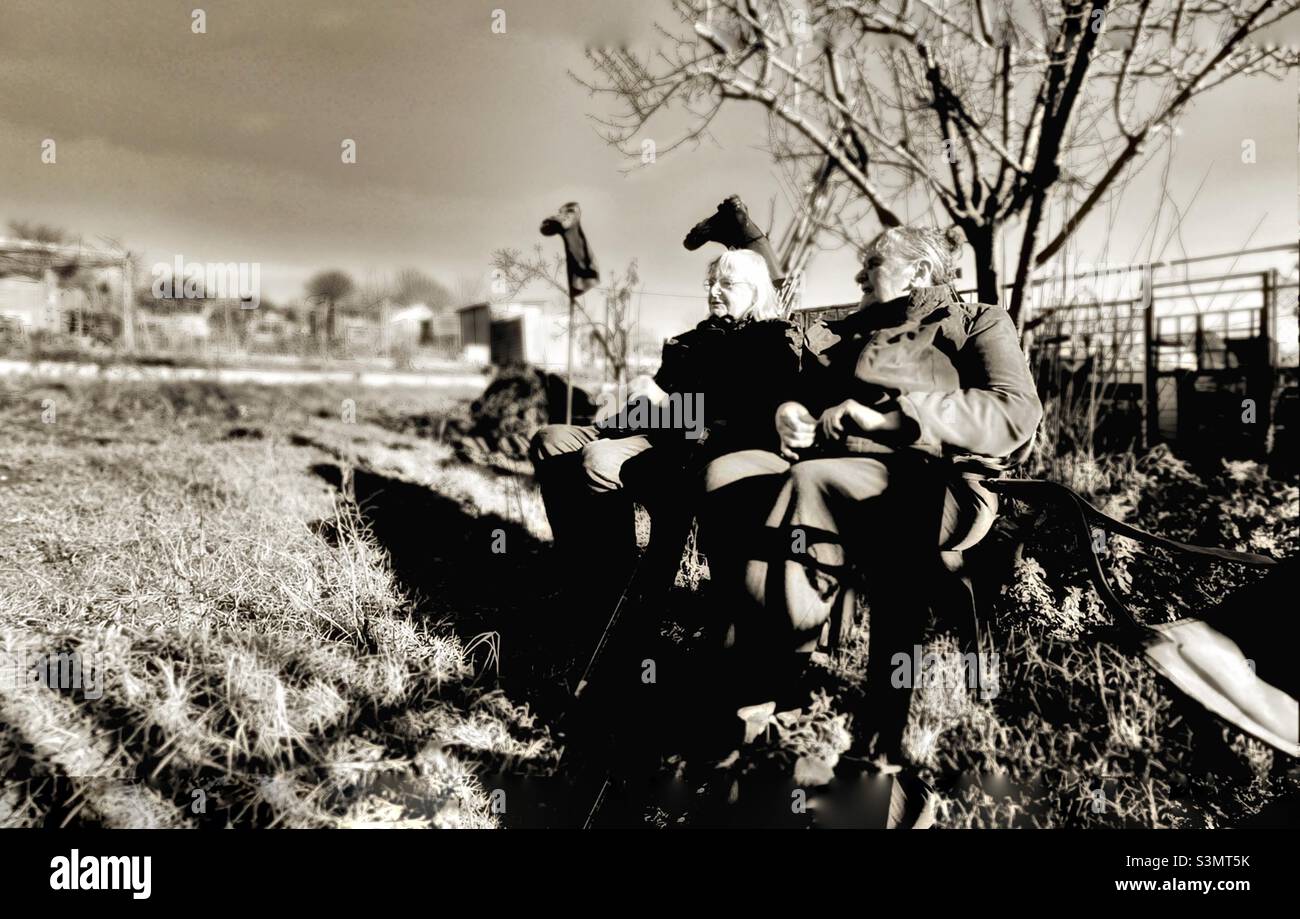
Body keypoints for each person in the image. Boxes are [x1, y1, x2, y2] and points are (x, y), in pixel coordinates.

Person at [700, 225, 1042, 823]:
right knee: (726, 474)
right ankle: (759, 690)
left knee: (816, 486)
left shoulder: (978, 321)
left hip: (941, 483)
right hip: (835, 469)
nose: (858, 275)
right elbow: (799, 396)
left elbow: (1014, 412)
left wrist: (898, 420)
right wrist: (789, 414)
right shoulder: (850, 330)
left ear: (917, 272)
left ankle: (837, 739)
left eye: (872, 263)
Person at [528, 248, 802, 622]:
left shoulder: (769, 341)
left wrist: (663, 401)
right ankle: (577, 566)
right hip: (650, 426)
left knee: (600, 461)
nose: (714, 291)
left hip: (693, 444)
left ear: (755, 290)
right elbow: (657, 398)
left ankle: (614, 586)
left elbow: (735, 417)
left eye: (727, 284)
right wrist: (620, 412)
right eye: (710, 283)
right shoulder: (694, 339)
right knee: (550, 440)